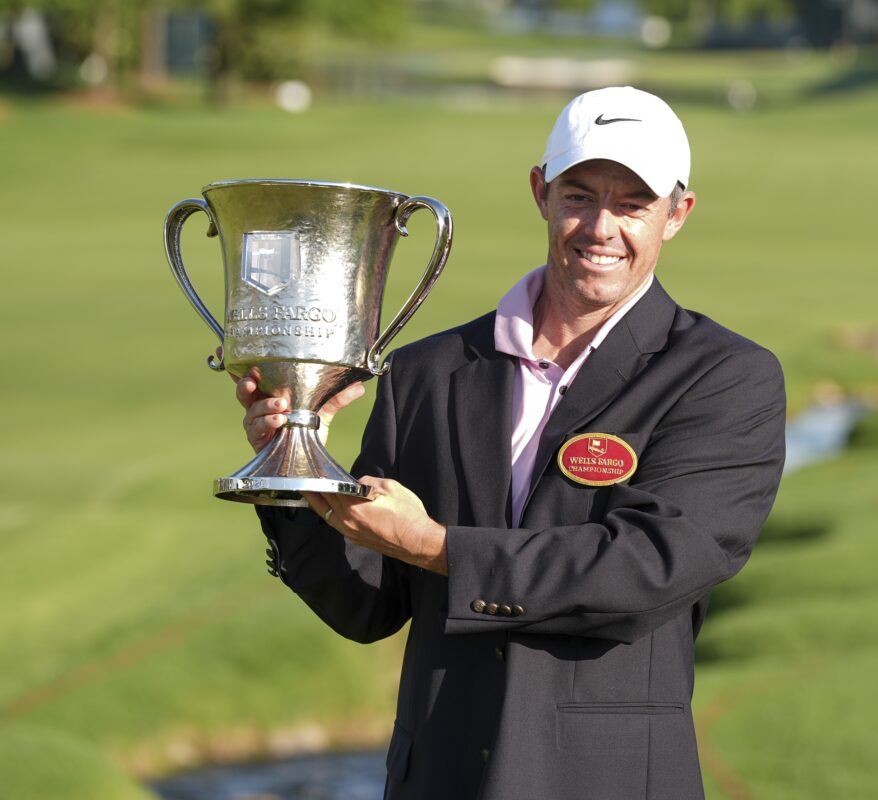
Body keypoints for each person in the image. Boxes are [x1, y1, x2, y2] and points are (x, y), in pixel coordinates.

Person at [240, 86, 786, 800]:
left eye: (631, 205)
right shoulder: (428, 371)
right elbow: (367, 605)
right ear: (541, 193)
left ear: (676, 215)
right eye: (579, 195)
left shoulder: (724, 376)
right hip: (440, 778)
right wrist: (294, 473)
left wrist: (437, 547)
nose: (599, 227)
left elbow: (648, 566)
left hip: (605, 783)